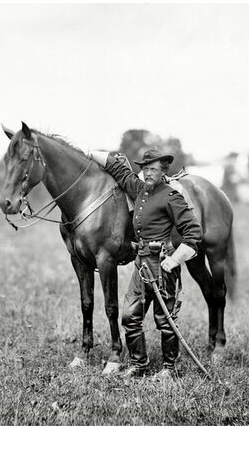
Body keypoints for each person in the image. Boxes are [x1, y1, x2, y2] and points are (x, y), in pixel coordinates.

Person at [89, 148, 203, 379]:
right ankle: (138, 365)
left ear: (163, 172)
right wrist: (85, 151)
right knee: (130, 317)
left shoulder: (172, 197)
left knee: (165, 321)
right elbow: (119, 171)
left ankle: (170, 369)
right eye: (144, 169)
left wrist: (174, 260)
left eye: (153, 169)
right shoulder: (140, 190)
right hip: (141, 265)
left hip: (163, 266)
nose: (147, 173)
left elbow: (193, 234)